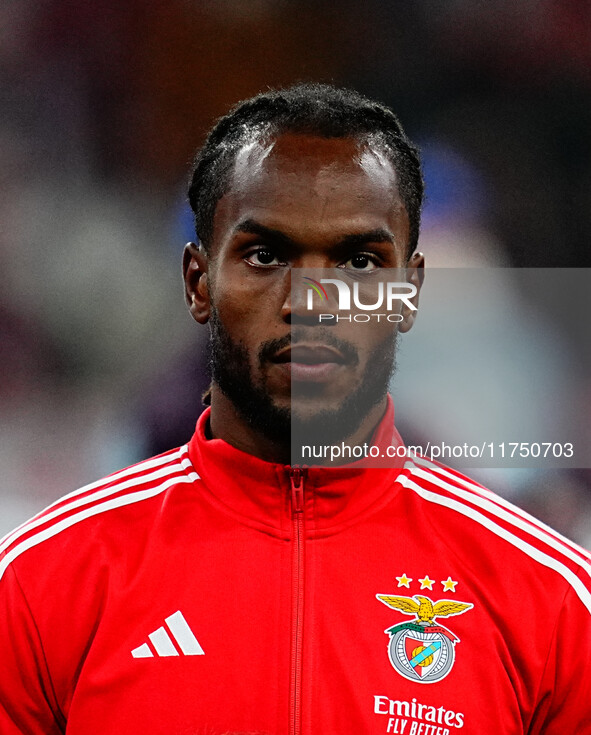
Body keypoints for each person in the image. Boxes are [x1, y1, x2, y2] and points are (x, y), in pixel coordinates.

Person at [1, 83, 590, 735]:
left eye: (359, 260)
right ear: (198, 281)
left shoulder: (550, 598)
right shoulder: (42, 581)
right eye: (265, 254)